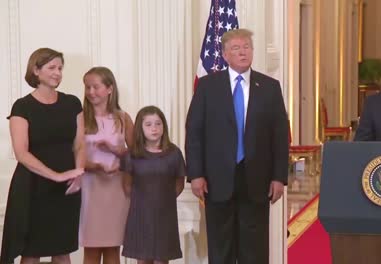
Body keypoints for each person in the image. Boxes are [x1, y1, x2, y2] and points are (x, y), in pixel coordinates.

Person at [185, 28, 289, 264]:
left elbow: (280, 137)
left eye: (246, 47)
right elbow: (194, 133)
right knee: (221, 249)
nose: (243, 52)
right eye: (236, 48)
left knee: (255, 250)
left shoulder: (270, 87)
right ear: (224, 54)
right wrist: (196, 174)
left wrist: (279, 177)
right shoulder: (207, 86)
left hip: (257, 180)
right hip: (216, 180)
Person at [0, 48, 85, 264]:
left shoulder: (72, 103)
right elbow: (21, 152)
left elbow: (80, 145)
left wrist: (78, 173)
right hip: (32, 187)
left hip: (66, 187)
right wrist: (56, 175)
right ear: (36, 70)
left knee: (62, 248)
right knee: (31, 251)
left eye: (60, 68)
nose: (57, 73)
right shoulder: (22, 106)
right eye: (51, 68)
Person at [79, 67, 134, 264]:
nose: (90, 92)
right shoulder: (80, 118)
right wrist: (93, 166)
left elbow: (138, 155)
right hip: (90, 188)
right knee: (92, 248)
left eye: (96, 87)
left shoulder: (122, 118)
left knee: (112, 247)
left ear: (110, 89)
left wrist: (116, 152)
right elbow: (72, 156)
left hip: (116, 189)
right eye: (87, 87)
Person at [121, 106, 185, 264]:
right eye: (148, 124)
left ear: (164, 126)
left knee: (161, 259)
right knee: (142, 259)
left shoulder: (174, 153)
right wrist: (144, 201)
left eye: (158, 123)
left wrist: (162, 199)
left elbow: (179, 183)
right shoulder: (132, 155)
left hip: (165, 214)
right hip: (140, 213)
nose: (154, 128)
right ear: (140, 128)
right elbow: (127, 185)